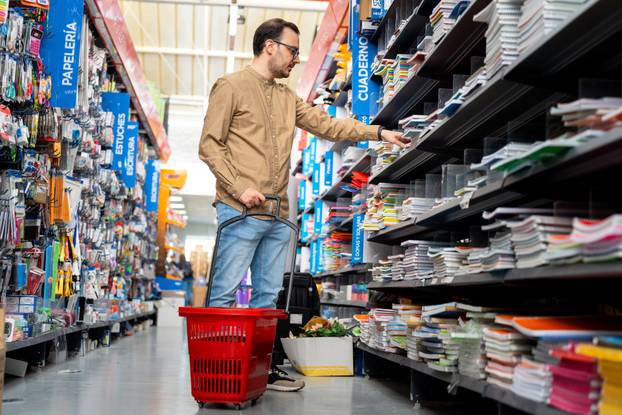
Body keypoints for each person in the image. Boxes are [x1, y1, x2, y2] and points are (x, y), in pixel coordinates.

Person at [198, 18, 408, 392]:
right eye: (293, 50)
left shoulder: (285, 98)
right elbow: (209, 145)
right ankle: (218, 374)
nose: (296, 58)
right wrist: (240, 186)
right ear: (270, 46)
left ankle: (261, 370)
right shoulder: (231, 86)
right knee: (224, 295)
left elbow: (328, 126)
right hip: (240, 210)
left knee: (266, 299)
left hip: (278, 215)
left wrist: (376, 133)